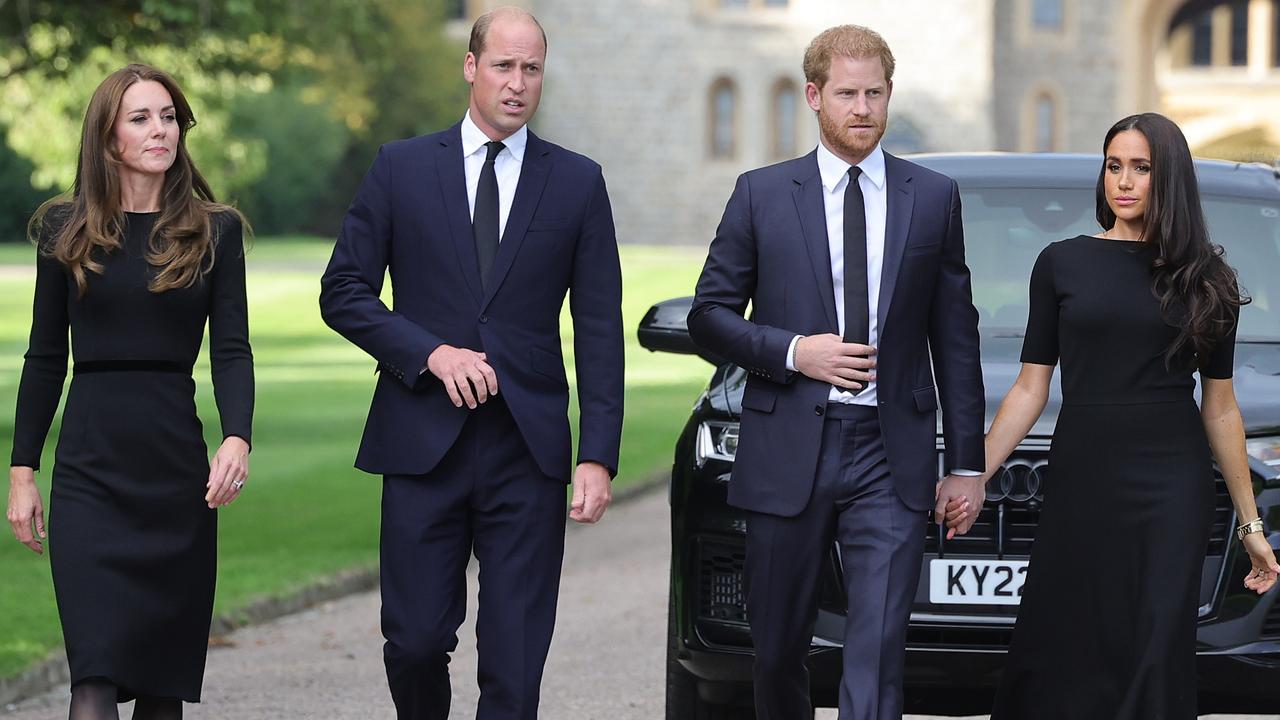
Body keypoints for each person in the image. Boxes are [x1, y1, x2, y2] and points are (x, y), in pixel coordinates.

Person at [318, 7, 623, 720]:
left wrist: (598, 455)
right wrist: (428, 352)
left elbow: (599, 329)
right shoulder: (401, 168)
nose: (517, 84)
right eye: (503, 66)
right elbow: (343, 292)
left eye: (531, 69)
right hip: (422, 443)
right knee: (416, 642)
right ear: (471, 67)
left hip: (529, 449)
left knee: (515, 665)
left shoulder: (578, 182)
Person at [688, 24, 986, 720]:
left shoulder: (933, 197)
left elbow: (956, 336)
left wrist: (966, 461)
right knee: (777, 646)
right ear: (815, 96)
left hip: (892, 453)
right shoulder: (761, 194)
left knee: (878, 649)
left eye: (875, 93)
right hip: (789, 443)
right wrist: (796, 352)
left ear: (888, 96)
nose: (862, 108)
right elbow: (710, 316)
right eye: (847, 93)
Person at [945, 112, 1280, 718]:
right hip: (1084, 476)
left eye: (1142, 168)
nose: (1123, 181)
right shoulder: (1061, 264)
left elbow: (1222, 407)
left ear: (1168, 178)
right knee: (1067, 639)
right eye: (1114, 165)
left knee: (1155, 643)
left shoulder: (1208, 281)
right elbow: (1029, 388)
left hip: (1171, 486)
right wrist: (975, 474)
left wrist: (1251, 528)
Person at [6, 63, 253, 720]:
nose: (160, 130)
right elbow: (44, 356)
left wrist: (237, 435)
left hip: (174, 474)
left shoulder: (215, 231)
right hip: (90, 473)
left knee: (161, 690)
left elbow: (231, 348)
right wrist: (22, 471)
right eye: (141, 118)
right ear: (108, 136)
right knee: (93, 680)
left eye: (169, 116)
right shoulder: (64, 228)